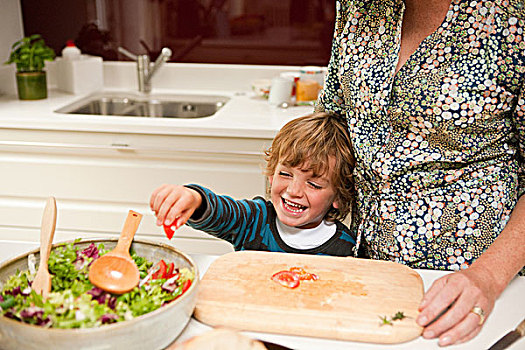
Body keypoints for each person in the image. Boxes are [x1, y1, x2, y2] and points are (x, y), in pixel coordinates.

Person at [315, 0, 525, 346]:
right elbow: (334, 119)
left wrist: (486, 277)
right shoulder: (359, 6)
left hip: (475, 289)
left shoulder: (512, 15)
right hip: (370, 276)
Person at [150, 112, 366, 257]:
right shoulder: (254, 220)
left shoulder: (345, 248)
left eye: (314, 185)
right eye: (285, 174)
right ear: (271, 175)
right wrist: (194, 199)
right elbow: (220, 211)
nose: (293, 191)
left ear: (338, 196)